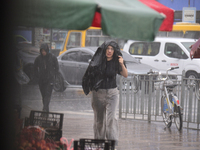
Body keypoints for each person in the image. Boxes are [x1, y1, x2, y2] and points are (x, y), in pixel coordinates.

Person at [82, 40, 128, 145]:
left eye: (112, 49)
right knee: (99, 121)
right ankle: (99, 144)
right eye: (108, 48)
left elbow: (125, 74)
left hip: (112, 93)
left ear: (114, 51)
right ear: (104, 50)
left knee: (112, 119)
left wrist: (122, 64)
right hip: (98, 94)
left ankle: (112, 144)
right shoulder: (98, 61)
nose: (109, 51)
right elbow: (90, 74)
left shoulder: (117, 61)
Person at [34, 43, 59, 112]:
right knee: (44, 95)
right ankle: (46, 110)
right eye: (42, 51)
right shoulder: (38, 59)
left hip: (50, 79)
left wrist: (54, 76)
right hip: (41, 80)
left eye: (44, 51)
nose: (43, 52)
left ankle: (44, 109)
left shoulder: (52, 57)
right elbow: (35, 68)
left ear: (47, 50)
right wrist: (37, 76)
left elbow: (57, 67)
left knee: (47, 95)